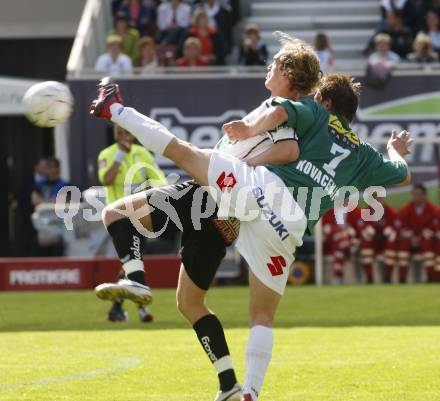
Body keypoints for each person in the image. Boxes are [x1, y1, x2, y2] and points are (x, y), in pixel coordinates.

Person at [90, 35, 412, 401]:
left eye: (275, 62)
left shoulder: (309, 111)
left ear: (323, 99)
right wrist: (393, 149)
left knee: (180, 157)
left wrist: (248, 129)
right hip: (288, 226)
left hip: (255, 191)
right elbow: (402, 174)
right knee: (253, 315)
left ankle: (115, 109)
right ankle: (246, 391)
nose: (269, 66)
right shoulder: (365, 155)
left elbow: (283, 124)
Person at [93, 33, 306, 399]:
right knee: (189, 303)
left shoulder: (279, 108)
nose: (269, 67)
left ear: (288, 72)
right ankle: (229, 386)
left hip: (208, 196)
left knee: (115, 213)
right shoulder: (275, 110)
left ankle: (137, 280)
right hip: (221, 217)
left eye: (276, 63)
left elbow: (289, 149)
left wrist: (241, 166)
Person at [97, 124, 168, 322]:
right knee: (132, 260)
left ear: (132, 133)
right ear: (114, 135)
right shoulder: (107, 154)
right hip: (118, 218)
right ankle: (141, 307)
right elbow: (107, 179)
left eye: (127, 132)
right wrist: (119, 156)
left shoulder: (142, 153)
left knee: (131, 260)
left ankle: (117, 308)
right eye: (119, 133)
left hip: (140, 215)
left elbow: (158, 180)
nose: (124, 136)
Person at [397, 184, 438, 282]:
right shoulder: (405, 210)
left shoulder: (433, 210)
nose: (416, 197)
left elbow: (435, 229)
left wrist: (421, 236)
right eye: (414, 194)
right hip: (410, 241)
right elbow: (400, 229)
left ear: (425, 195)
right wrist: (411, 237)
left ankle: (432, 278)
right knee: (403, 245)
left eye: (419, 194)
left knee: (429, 244)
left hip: (426, 241)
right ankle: (402, 279)